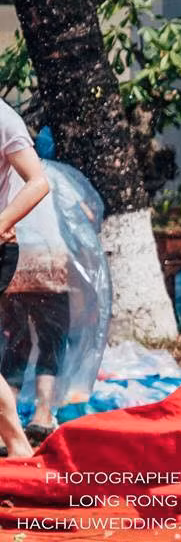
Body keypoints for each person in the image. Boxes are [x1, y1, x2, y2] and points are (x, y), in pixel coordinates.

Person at [0, 99, 50, 458]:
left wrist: (1, 222)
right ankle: (16, 444)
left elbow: (38, 183)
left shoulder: (4, 118)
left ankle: (18, 444)